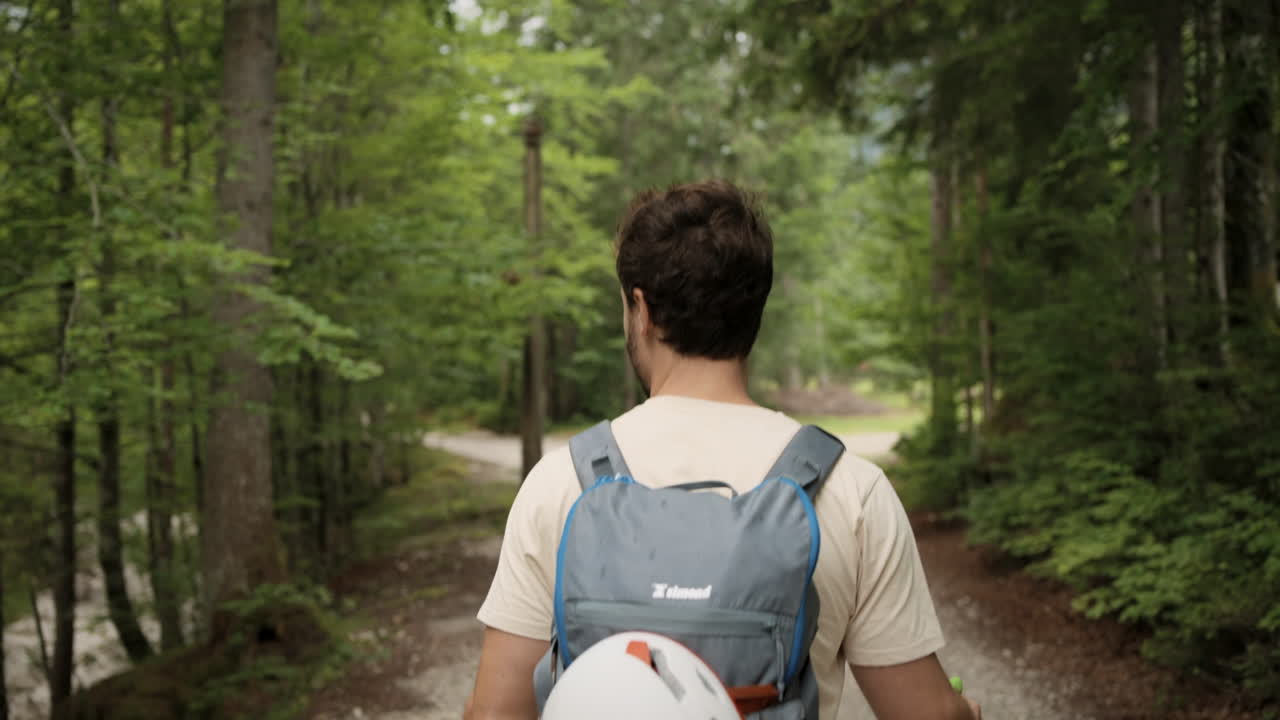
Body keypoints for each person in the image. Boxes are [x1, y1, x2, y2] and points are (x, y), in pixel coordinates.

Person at [464, 180, 981, 720]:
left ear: (642, 310)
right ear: (753, 310)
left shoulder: (561, 483)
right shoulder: (851, 490)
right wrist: (965, 709)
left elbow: (495, 713)